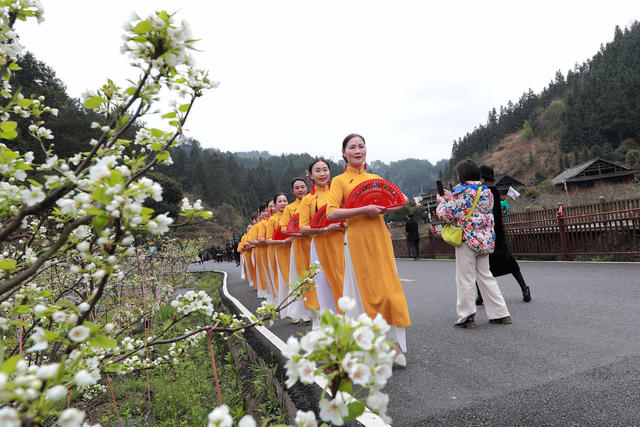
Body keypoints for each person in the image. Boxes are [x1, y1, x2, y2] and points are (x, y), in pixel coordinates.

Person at [326, 133, 411, 367]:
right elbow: (331, 213)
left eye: (361, 146)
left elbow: (396, 201)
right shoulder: (339, 181)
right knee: (364, 293)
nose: (357, 150)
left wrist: (391, 204)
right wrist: (363, 209)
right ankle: (371, 345)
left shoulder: (374, 178)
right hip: (357, 242)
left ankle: (391, 342)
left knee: (389, 291)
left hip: (379, 238)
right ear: (343, 153)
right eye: (352, 147)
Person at [436, 159, 511, 329]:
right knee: (486, 276)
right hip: (484, 240)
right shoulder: (486, 191)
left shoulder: (462, 192)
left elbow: (447, 214)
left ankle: (467, 317)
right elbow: (471, 208)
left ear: (461, 175)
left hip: (467, 240)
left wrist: (442, 203)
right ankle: (501, 313)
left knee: (465, 279)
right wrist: (451, 198)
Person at [475, 165, 531, 304]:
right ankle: (524, 288)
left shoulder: (486, 192)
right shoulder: (495, 192)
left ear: (482, 178)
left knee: (479, 265)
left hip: (488, 234)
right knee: (508, 262)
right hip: (497, 233)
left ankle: (480, 295)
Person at [299, 159, 347, 314]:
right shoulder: (308, 200)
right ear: (311, 176)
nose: (322, 174)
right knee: (327, 283)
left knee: (348, 281)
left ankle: (353, 318)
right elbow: (303, 228)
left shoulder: (339, 192)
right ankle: (333, 320)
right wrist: (326, 228)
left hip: (345, 242)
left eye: (325, 170)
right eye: (317, 171)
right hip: (322, 245)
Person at [280, 178, 315, 323]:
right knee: (302, 277)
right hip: (300, 245)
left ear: (306, 187)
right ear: (293, 191)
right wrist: (298, 233)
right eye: (297, 188)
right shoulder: (289, 208)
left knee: (316, 275)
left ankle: (317, 307)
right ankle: (304, 310)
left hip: (314, 242)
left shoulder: (313, 200)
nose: (300, 189)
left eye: (302, 186)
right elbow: (284, 228)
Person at [266, 193, 294, 311]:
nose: (283, 203)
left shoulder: (294, 214)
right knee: (287, 279)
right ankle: (291, 309)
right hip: (282, 251)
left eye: (285, 200)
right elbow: (268, 240)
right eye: (280, 201)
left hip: (296, 249)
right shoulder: (272, 220)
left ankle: (304, 310)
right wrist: (283, 242)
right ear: (275, 205)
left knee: (299, 278)